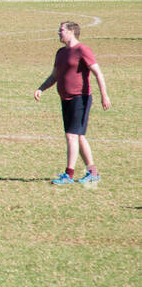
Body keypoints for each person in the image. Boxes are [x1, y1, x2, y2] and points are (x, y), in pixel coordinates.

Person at [35, 21, 111, 185]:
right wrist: (41, 88)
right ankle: (93, 173)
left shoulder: (83, 50)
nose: (58, 33)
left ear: (71, 31)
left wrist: (104, 95)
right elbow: (54, 76)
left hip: (80, 99)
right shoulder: (61, 52)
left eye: (61, 30)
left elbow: (98, 73)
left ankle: (68, 175)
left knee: (71, 136)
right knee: (79, 137)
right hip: (65, 99)